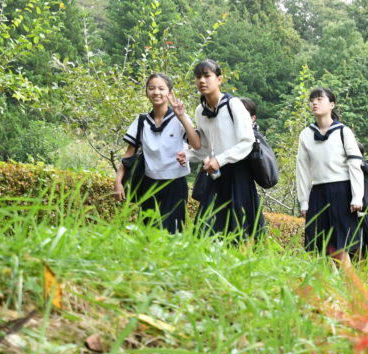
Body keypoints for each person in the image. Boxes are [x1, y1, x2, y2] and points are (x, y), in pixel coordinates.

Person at [113, 73, 200, 233]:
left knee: (173, 233)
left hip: (175, 183)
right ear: (146, 92)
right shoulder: (141, 121)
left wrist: (181, 116)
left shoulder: (180, 119)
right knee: (148, 231)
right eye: (151, 88)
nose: (156, 92)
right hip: (149, 183)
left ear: (170, 93)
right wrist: (118, 182)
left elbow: (196, 144)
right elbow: (128, 155)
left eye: (161, 88)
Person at [190, 59, 264, 241]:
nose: (202, 81)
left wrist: (220, 159)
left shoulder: (234, 105)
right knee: (205, 229)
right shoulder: (200, 110)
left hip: (238, 174)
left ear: (219, 79)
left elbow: (247, 141)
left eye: (207, 76)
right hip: (214, 176)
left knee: (242, 231)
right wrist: (187, 155)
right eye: (198, 77)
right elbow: (204, 147)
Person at [295, 87, 367, 268]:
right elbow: (302, 170)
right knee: (318, 249)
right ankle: (328, 292)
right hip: (318, 192)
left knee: (339, 249)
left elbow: (355, 166)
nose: (314, 103)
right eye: (312, 100)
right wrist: (304, 201)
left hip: (341, 192)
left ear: (332, 104)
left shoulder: (343, 131)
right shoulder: (306, 134)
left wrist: (357, 197)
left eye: (319, 99)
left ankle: (354, 292)